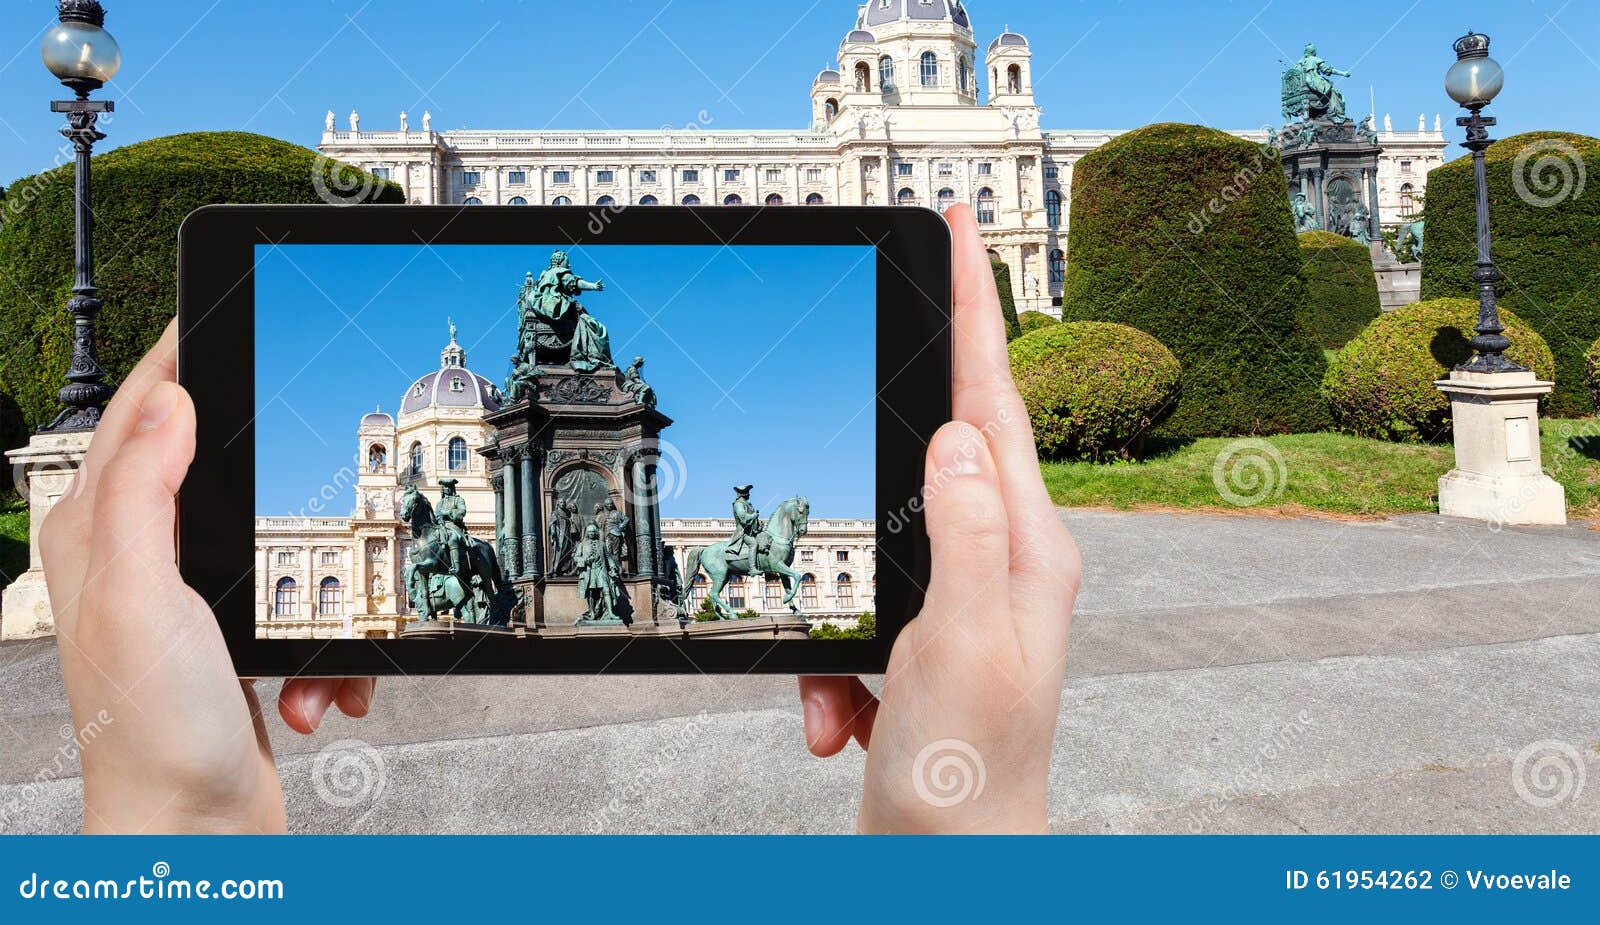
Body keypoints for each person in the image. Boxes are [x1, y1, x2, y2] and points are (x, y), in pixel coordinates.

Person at [41, 204, 1078, 833]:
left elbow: (569, 294)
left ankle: (613, 592)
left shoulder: (561, 328)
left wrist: (179, 818)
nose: (439, 458)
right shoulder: (479, 427)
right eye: (433, 449)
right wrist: (963, 820)